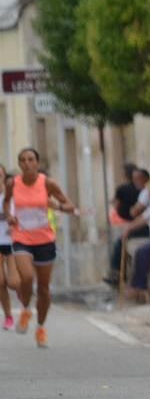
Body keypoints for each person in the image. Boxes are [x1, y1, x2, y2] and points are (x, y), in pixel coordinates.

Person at [3, 147, 77, 347]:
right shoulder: (13, 183)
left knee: (43, 289)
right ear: (19, 164)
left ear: (37, 162)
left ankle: (40, 327)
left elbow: (70, 205)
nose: (27, 163)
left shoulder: (48, 183)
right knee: (26, 277)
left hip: (44, 239)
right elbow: (7, 201)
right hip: (21, 237)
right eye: (23, 160)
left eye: (31, 159)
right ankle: (26, 309)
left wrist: (57, 206)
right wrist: (9, 216)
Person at [107, 163, 147, 284]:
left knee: (120, 244)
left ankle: (117, 274)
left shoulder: (143, 192)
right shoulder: (144, 191)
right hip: (136, 224)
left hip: (137, 225)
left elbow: (135, 212)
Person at [0, 161, 18, 331]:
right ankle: (8, 316)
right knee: (0, 282)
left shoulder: (11, 197)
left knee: (13, 283)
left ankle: (24, 295)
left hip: (11, 242)